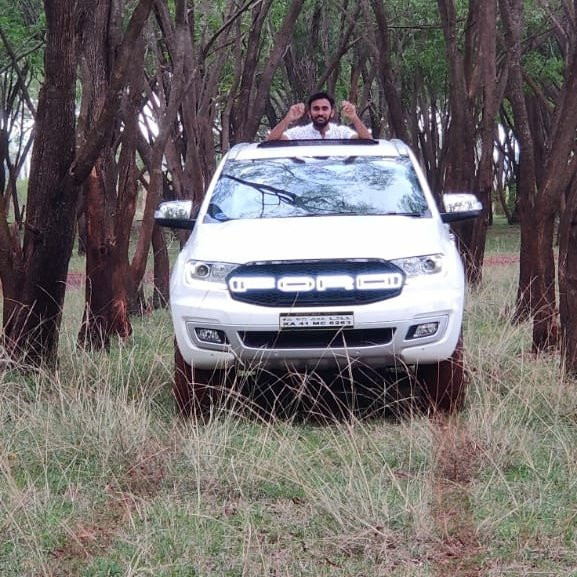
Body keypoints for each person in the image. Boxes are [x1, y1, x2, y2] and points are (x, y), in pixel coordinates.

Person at [266, 92, 372, 141]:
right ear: (309, 113)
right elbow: (270, 141)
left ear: (332, 113)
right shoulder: (299, 133)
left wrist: (354, 118)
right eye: (316, 109)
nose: (320, 113)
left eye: (325, 109)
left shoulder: (341, 133)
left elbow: (368, 140)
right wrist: (287, 119)